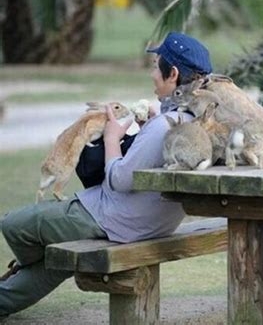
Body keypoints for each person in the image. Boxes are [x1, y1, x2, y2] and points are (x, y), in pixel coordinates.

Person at [0, 32, 212, 319]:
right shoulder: (195, 121)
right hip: (151, 224)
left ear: (172, 74)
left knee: (13, 225)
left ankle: (24, 269)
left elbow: (120, 179)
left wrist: (112, 138)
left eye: (155, 65)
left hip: (110, 219)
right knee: (56, 260)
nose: (152, 74)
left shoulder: (164, 126)